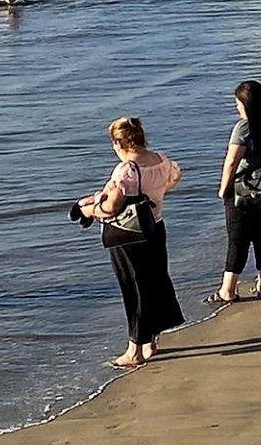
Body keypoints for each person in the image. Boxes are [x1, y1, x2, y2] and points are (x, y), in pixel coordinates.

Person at [74, 117, 184, 368]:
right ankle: (150, 341)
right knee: (155, 281)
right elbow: (174, 178)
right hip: (155, 226)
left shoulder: (127, 169)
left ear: (120, 142)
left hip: (130, 234)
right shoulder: (160, 159)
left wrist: (89, 211)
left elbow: (113, 207)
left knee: (133, 287)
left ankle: (135, 349)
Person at [207, 80, 261, 303]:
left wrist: (222, 189)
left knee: (238, 238)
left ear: (248, 104)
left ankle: (227, 291)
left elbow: (231, 162)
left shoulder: (244, 127)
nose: (236, 107)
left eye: (238, 103)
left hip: (245, 188)